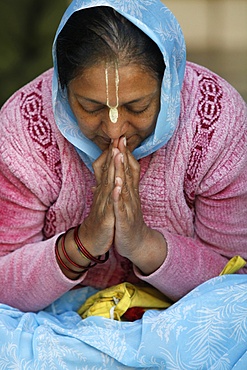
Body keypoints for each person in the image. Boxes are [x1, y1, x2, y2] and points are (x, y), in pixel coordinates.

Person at [0, 0, 247, 368]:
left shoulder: (215, 120)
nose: (115, 129)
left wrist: (144, 244)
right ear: (61, 88)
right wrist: (82, 244)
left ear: (170, 84)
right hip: (51, 326)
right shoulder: (25, 126)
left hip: (181, 323)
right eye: (90, 106)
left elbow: (234, 278)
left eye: (138, 106)